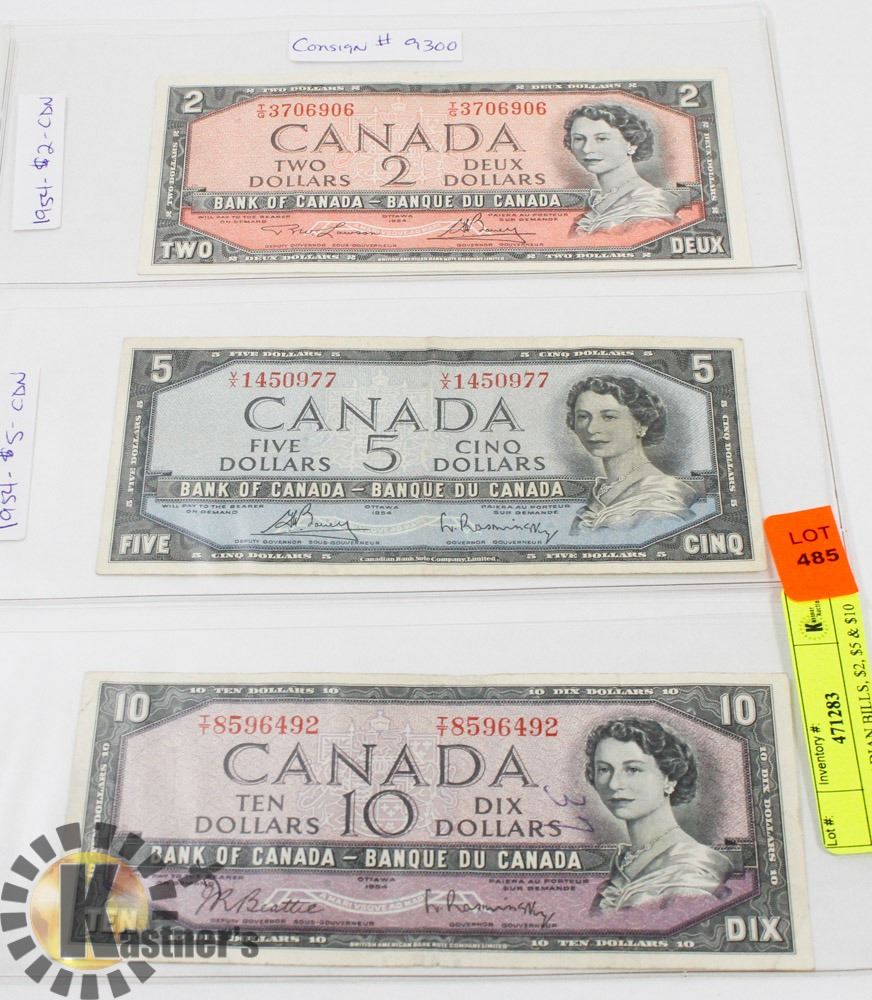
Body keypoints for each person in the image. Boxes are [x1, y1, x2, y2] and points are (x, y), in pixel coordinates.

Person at [584, 717, 732, 912]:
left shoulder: (689, 874)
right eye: (604, 769)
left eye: (632, 769)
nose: (614, 784)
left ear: (669, 779)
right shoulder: (625, 861)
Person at [566, 374, 699, 532]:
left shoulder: (661, 505)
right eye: (583, 417)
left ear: (641, 425)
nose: (591, 428)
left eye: (608, 417)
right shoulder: (599, 494)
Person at [563, 104, 680, 233]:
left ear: (632, 145)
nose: (586, 149)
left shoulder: (647, 208)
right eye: (579, 139)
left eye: (601, 138)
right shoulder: (595, 203)